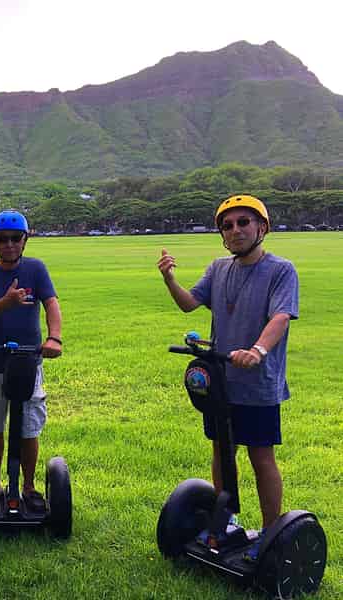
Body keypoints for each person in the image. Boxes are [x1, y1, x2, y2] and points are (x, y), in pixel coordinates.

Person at [157, 194, 298, 560]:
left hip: (258, 382)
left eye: (243, 223)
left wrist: (257, 352)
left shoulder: (281, 270)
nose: (235, 230)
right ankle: (226, 523)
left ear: (261, 228)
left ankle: (270, 535)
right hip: (221, 380)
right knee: (222, 450)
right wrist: (170, 279)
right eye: (227, 225)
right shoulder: (219, 268)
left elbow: (280, 317)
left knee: (260, 456)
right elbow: (190, 303)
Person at [0, 210, 62, 511]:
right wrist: (5, 302)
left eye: (15, 238)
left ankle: (29, 486)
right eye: (2, 239)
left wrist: (54, 338)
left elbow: (51, 304)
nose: (9, 244)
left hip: (27, 361)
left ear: (25, 240)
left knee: (29, 428)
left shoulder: (36, 269)